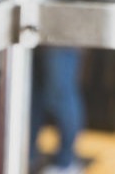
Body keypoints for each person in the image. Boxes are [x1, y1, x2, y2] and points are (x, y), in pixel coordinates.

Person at [30, 46, 85, 174]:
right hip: (36, 41)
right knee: (33, 97)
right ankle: (29, 155)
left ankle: (66, 163)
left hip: (62, 41)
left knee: (60, 94)